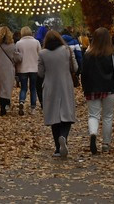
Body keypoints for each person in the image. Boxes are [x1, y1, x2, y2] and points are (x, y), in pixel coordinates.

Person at [81, 27, 114, 154]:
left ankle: (93, 134)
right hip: (109, 88)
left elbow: (84, 74)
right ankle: (105, 144)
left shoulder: (88, 55)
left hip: (92, 89)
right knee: (107, 117)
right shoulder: (112, 54)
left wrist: (85, 88)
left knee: (93, 115)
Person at [38, 30, 77, 158]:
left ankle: (57, 148)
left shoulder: (42, 53)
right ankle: (63, 137)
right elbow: (75, 68)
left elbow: (40, 73)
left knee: (54, 117)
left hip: (50, 86)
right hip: (65, 85)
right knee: (67, 115)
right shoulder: (67, 50)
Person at [0, 26, 18, 116]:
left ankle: (1, 106)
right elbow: (17, 57)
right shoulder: (12, 46)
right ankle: (5, 105)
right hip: (8, 68)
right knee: (7, 87)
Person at [14, 26, 41, 115]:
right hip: (34, 68)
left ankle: (21, 101)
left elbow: (16, 56)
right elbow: (40, 54)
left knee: (23, 88)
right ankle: (33, 108)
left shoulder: (18, 43)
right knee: (33, 88)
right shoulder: (36, 42)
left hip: (22, 68)